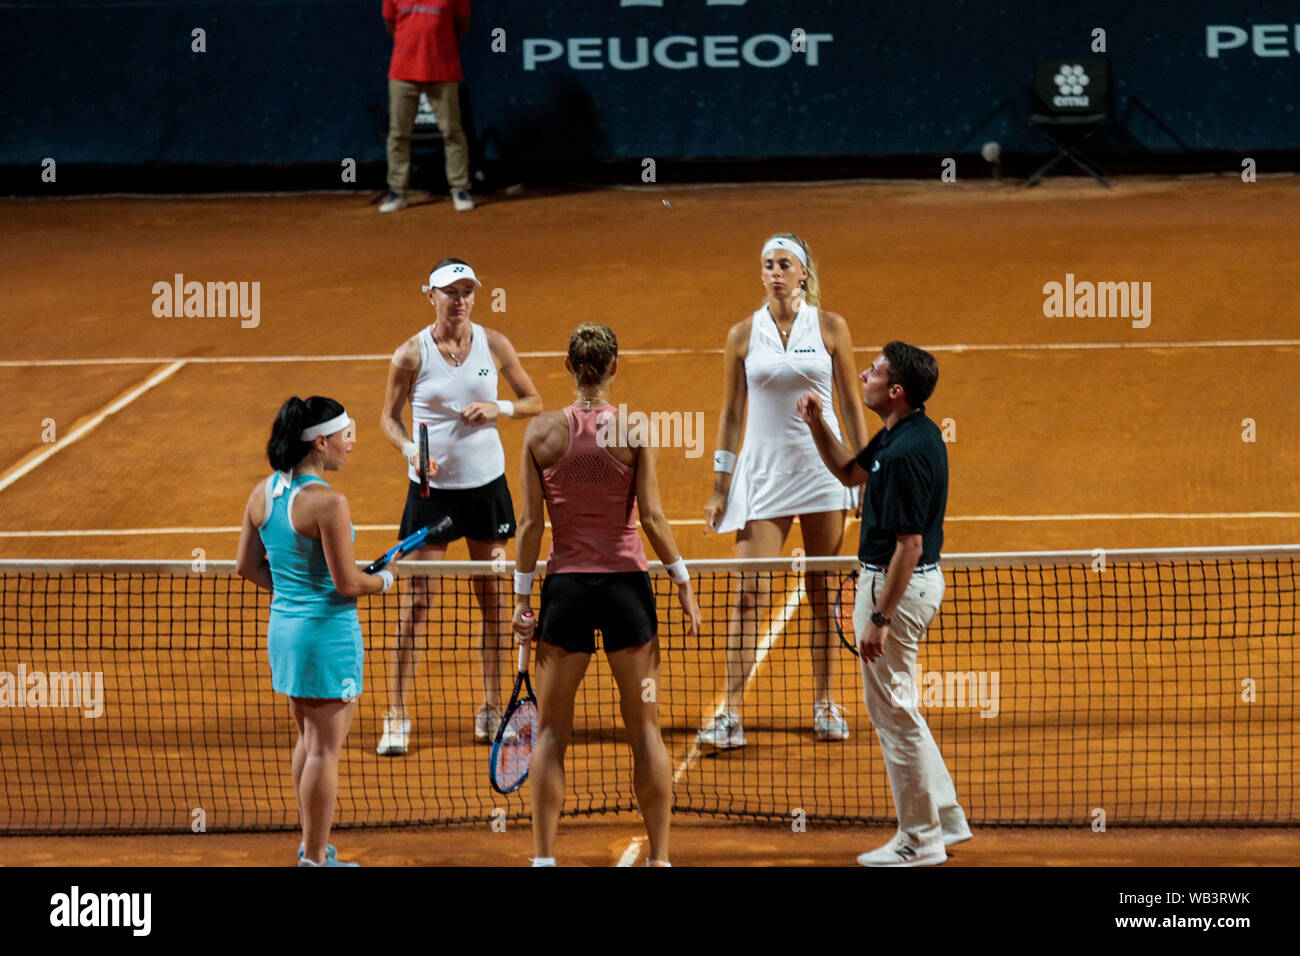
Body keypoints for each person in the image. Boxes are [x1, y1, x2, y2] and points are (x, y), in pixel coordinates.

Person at [512, 324, 701, 867]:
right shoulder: (634, 430)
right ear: (614, 367)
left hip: (566, 592)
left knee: (550, 732)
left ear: (569, 368)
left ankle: (544, 859)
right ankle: (661, 857)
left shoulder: (541, 435)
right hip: (626, 593)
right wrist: (683, 583)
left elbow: (529, 526)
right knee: (644, 727)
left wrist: (524, 604)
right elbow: (655, 519)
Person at [797, 341, 971, 867]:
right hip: (909, 584)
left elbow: (908, 545)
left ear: (895, 391)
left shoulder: (901, 456)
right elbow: (850, 472)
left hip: (894, 586)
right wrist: (816, 425)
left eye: (874, 372)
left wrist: (879, 618)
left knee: (893, 713)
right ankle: (944, 817)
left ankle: (920, 839)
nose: (864, 375)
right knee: (899, 707)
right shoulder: (910, 431)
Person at [699, 233, 869, 749]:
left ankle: (824, 703)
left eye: (784, 264)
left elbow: (852, 406)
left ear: (803, 273)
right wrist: (719, 484)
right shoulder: (742, 335)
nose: (774, 272)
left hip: (824, 474)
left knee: (821, 594)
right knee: (749, 594)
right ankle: (730, 711)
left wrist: (866, 475)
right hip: (763, 477)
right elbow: (731, 413)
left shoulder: (832, 327)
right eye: (768, 264)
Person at [377, 258, 542, 755]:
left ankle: (493, 708)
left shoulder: (494, 345)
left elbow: (532, 399)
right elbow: (387, 418)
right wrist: (410, 451)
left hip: (486, 491)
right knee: (416, 602)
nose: (461, 300)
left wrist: (500, 408)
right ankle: (397, 715)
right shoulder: (411, 354)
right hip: (430, 496)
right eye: (451, 291)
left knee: (493, 601)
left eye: (467, 291)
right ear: (430, 295)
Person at [236, 396, 397, 867]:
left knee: (308, 741)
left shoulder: (262, 493)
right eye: (346, 435)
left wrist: (292, 592)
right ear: (320, 442)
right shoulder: (328, 502)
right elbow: (348, 583)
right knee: (326, 750)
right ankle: (314, 859)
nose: (353, 443)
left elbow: (245, 565)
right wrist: (383, 581)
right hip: (327, 636)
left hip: (285, 631)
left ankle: (312, 847)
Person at [379, 0, 475, 213]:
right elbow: (390, 23)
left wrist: (441, 50)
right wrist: (411, 50)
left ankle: (459, 189)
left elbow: (463, 25)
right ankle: (397, 191)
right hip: (402, 72)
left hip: (443, 71)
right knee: (398, 134)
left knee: (452, 132)